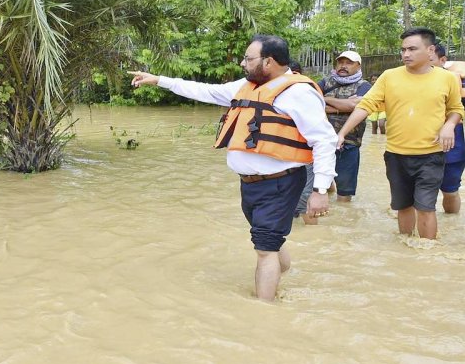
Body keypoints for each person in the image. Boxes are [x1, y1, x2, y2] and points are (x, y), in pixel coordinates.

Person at [129, 35, 337, 301]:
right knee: (266, 242)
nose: (242, 63)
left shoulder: (299, 92)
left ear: (269, 61)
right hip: (250, 184)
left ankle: (263, 311)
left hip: (280, 183)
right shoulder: (245, 86)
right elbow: (206, 91)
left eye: (248, 59)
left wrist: (320, 189)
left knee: (265, 249)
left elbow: (324, 140)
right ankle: (281, 269)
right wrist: (160, 80)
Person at [336, 28, 464, 239]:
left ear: (430, 50)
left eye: (412, 49)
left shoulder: (447, 79)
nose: (406, 54)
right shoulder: (389, 77)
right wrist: (342, 133)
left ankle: (427, 254)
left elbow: (456, 109)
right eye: (403, 49)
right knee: (403, 206)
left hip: (431, 155)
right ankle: (406, 249)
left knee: (425, 207)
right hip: (396, 154)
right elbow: (366, 105)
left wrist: (449, 125)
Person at [319, 51, 372, 202]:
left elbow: (356, 105)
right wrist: (344, 106)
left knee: (344, 195)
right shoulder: (324, 82)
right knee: (320, 187)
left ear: (358, 66)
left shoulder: (364, 86)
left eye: (348, 63)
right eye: (340, 62)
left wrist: (324, 100)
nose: (343, 66)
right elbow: (310, 102)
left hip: (348, 143)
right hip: (321, 142)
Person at [433, 44, 465, 213]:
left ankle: (450, 224)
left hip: (452, 149)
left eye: (430, 61)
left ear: (442, 60)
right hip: (418, 149)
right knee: (418, 194)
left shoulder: (457, 81)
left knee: (450, 192)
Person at [287, 60, 318, 225]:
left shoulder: (306, 90)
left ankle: (313, 235)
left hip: (305, 152)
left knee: (306, 196)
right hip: (288, 154)